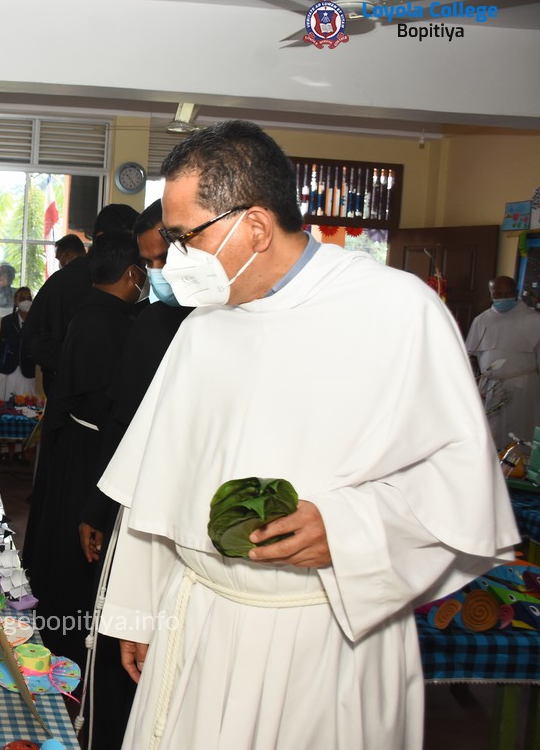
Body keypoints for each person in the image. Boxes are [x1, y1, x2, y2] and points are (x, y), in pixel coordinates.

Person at [96, 120, 517, 749]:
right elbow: (156, 486)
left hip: (323, 635)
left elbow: (460, 490)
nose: (172, 259)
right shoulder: (204, 328)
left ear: (255, 226)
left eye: (185, 238)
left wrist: (346, 530)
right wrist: (138, 610)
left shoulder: (397, 311)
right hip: (198, 618)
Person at [76, 200, 194, 750]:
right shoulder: (152, 321)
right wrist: (98, 508)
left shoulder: (233, 321)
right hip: (144, 506)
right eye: (149, 263)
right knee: (131, 647)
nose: (157, 273)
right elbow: (123, 423)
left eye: (164, 258)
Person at [28, 232, 144, 673]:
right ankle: (71, 650)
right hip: (94, 450)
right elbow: (114, 405)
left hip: (75, 443)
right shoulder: (110, 322)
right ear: (132, 274)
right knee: (82, 553)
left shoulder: (92, 311)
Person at [22, 204, 138, 396]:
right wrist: (75, 362)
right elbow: (33, 337)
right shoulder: (65, 281)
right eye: (126, 240)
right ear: (101, 237)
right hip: (68, 393)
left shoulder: (133, 279)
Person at [465, 275, 540, 449]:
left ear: (516, 292)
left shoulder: (534, 320)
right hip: (489, 388)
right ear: (491, 294)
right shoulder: (481, 320)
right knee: (490, 434)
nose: (503, 298)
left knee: (521, 431)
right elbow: (472, 355)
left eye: (507, 293)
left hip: (523, 388)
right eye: (498, 294)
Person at [0, 286, 36, 464]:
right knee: (5, 408)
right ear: (15, 302)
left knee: (23, 409)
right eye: (21, 298)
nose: (25, 301)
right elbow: (0, 347)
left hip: (27, 371)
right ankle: (4, 449)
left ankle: (19, 449)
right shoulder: (7, 321)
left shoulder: (36, 322)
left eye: (28, 297)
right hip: (6, 371)